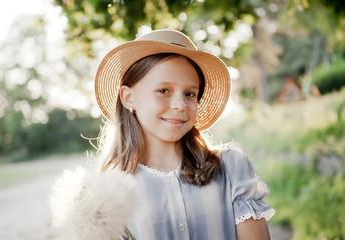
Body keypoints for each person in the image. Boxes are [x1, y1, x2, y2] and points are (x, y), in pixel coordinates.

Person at [96, 29, 275, 239]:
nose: (180, 105)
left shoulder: (230, 168)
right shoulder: (113, 191)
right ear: (128, 98)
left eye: (190, 94)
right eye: (164, 90)